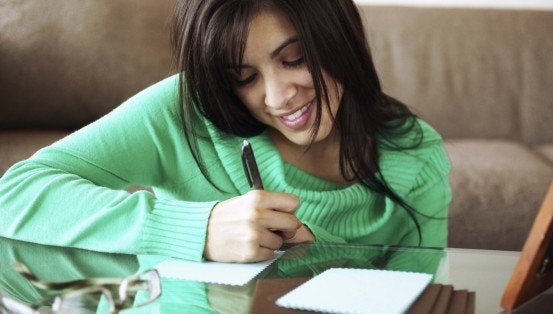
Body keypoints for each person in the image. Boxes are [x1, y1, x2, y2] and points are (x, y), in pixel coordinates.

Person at [0, 0, 451, 263]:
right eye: (243, 77)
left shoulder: (415, 152)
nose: (278, 97)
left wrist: (318, 263)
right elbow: (13, 195)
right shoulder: (183, 110)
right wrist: (199, 228)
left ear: (340, 39)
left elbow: (414, 296)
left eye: (293, 59)